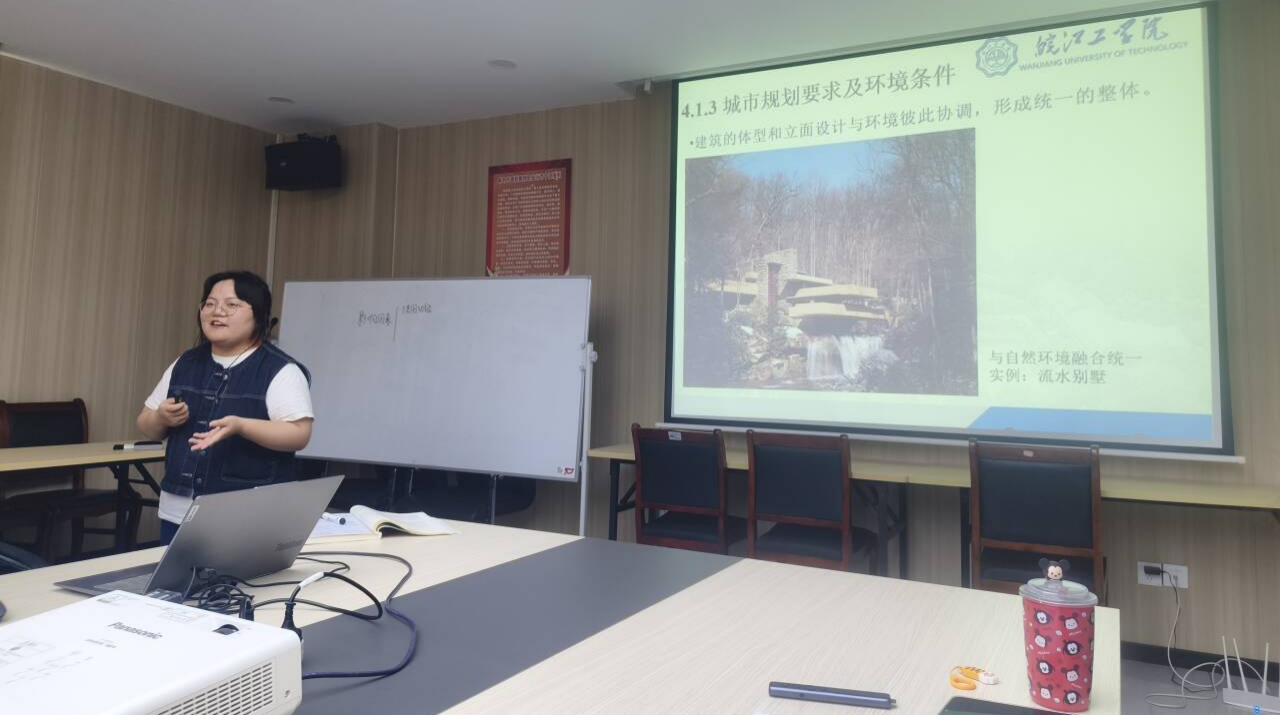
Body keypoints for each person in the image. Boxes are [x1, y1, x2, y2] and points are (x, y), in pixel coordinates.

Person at [137, 271, 314, 545]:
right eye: (209, 304)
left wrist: (241, 426)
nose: (217, 311)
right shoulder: (185, 363)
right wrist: (161, 417)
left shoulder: (280, 370)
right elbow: (146, 425)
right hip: (178, 511)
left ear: (259, 314)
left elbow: (299, 434)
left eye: (232, 305)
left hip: (247, 515)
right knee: (172, 575)